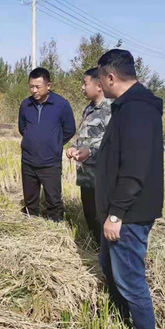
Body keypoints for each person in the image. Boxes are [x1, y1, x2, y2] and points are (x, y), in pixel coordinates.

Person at [95, 49, 163, 329]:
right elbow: (122, 154)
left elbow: (135, 169)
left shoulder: (137, 109)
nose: (100, 86)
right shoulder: (128, 105)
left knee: (131, 281)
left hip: (128, 216)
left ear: (111, 77)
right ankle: (123, 324)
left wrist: (115, 214)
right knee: (113, 271)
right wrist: (92, 153)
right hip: (119, 212)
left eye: (100, 79)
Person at [18, 67, 76, 221]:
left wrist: (54, 142)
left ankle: (56, 226)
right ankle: (31, 223)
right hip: (28, 160)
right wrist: (33, 140)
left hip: (50, 162)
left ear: (48, 86)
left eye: (38, 86)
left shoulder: (61, 105)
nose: (34, 90)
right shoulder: (25, 105)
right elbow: (22, 128)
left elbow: (69, 129)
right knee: (30, 199)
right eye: (31, 86)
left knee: (54, 199)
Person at [66, 67, 112, 244]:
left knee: (104, 219)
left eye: (85, 84)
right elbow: (83, 136)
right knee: (90, 215)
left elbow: (113, 143)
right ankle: (96, 249)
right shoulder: (88, 109)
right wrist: (73, 148)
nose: (82, 88)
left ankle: (106, 256)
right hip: (86, 175)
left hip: (103, 176)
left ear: (99, 85)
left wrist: (91, 151)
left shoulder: (111, 109)